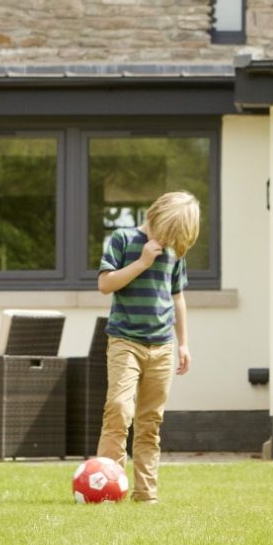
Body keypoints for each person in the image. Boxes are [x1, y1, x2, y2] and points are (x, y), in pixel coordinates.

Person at [95, 190, 201, 504]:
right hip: (125, 341)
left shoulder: (174, 251)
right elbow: (105, 285)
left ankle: (145, 493)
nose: (167, 240)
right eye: (166, 232)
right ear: (155, 216)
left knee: (150, 421)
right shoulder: (123, 239)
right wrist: (143, 262)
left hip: (162, 347)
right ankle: (107, 489)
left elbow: (178, 298)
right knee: (118, 409)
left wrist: (184, 343)